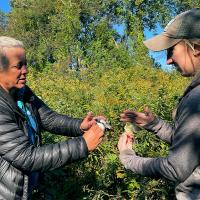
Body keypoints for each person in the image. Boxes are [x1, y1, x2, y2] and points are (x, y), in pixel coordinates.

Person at [0, 36, 106, 200]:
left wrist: (79, 126)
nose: (26, 70)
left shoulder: (21, 91)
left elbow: (47, 118)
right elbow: (26, 156)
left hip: (27, 189)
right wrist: (82, 145)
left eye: (25, 63)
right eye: (18, 66)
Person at [118, 8, 200, 200]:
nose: (169, 60)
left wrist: (128, 157)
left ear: (196, 47)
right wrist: (154, 125)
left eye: (172, 49)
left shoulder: (196, 99)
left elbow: (175, 168)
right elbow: (190, 147)